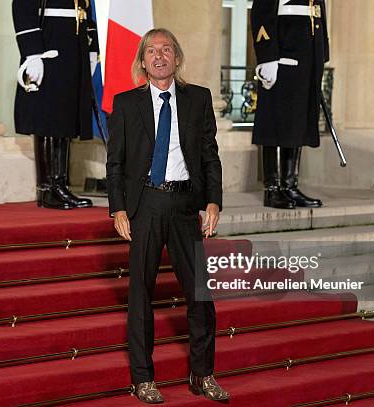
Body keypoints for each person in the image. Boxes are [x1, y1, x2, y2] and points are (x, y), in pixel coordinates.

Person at [106, 28, 229, 404]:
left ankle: (202, 373)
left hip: (183, 206)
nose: (159, 56)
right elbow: (115, 163)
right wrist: (118, 208)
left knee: (200, 296)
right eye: (151, 51)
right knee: (140, 295)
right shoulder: (126, 104)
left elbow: (209, 155)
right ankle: (143, 379)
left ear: (177, 58)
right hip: (145, 205)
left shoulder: (198, 99)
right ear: (142, 62)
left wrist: (213, 202)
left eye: (167, 50)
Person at [12, 0, 97, 209]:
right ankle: (47, 188)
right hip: (49, 42)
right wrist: (32, 52)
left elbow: (85, 9)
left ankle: (60, 184)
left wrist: (92, 45)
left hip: (74, 43)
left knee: (66, 114)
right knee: (48, 115)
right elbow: (23, 7)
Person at [251, 0, 330, 209]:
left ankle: (290, 186)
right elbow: (262, 12)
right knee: (275, 123)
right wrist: (267, 56)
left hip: (306, 56)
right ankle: (273, 189)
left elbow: (317, 11)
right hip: (282, 57)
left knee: (297, 122)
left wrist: (322, 50)